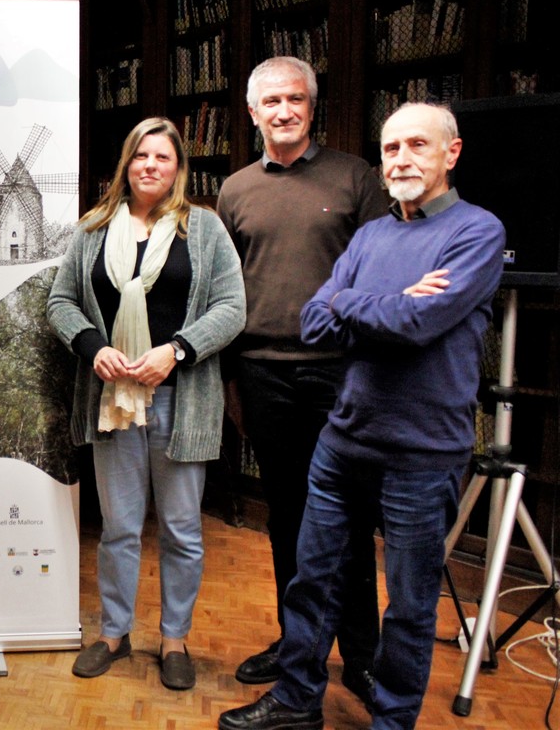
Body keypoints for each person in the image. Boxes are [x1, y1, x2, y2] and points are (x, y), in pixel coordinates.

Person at [219, 103, 506, 730]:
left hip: (422, 452)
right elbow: (314, 321)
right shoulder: (372, 236)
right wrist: (377, 301)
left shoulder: (477, 233)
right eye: (391, 148)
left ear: (450, 154)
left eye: (416, 146)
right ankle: (297, 701)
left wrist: (356, 303)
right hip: (343, 441)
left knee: (407, 604)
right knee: (312, 580)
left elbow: (418, 323)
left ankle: (393, 720)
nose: (401, 159)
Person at [48, 117, 245, 690]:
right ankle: (113, 632)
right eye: (140, 156)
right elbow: (62, 301)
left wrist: (177, 351)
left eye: (163, 157)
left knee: (182, 529)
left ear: (178, 169)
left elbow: (232, 308)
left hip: (181, 403)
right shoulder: (92, 230)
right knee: (118, 527)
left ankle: (175, 638)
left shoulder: (203, 230)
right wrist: (94, 348)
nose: (150, 166)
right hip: (114, 401)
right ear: (126, 166)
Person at [216, 56, 386, 700]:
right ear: (252, 113)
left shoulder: (356, 178)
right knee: (286, 516)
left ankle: (363, 656)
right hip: (262, 375)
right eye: (271, 102)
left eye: (296, 99)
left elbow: (378, 277)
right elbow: (226, 293)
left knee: (347, 517)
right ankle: (298, 642)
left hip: (341, 377)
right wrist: (231, 382)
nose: (284, 111)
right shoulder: (234, 190)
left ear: (311, 107)